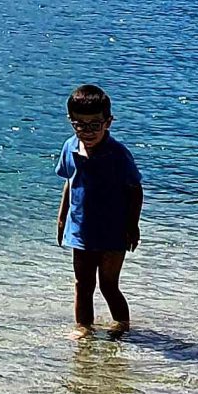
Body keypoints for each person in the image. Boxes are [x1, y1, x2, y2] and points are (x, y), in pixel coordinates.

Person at [56, 83, 143, 337]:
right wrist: (62, 219)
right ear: (71, 122)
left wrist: (132, 225)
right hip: (80, 230)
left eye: (95, 124)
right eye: (80, 125)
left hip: (113, 233)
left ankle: (122, 325)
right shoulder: (70, 148)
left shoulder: (118, 155)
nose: (88, 131)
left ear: (108, 122)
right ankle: (84, 328)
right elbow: (69, 183)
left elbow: (135, 190)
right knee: (82, 285)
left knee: (108, 285)